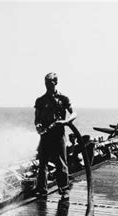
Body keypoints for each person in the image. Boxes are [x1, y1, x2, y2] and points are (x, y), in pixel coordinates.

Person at [34, 72, 77, 200]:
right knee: (42, 164)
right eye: (46, 82)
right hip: (45, 135)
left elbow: (74, 113)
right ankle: (41, 190)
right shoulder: (40, 100)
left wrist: (67, 121)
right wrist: (38, 126)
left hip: (58, 135)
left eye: (50, 82)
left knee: (61, 163)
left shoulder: (63, 98)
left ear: (56, 82)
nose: (47, 85)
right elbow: (36, 119)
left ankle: (64, 190)